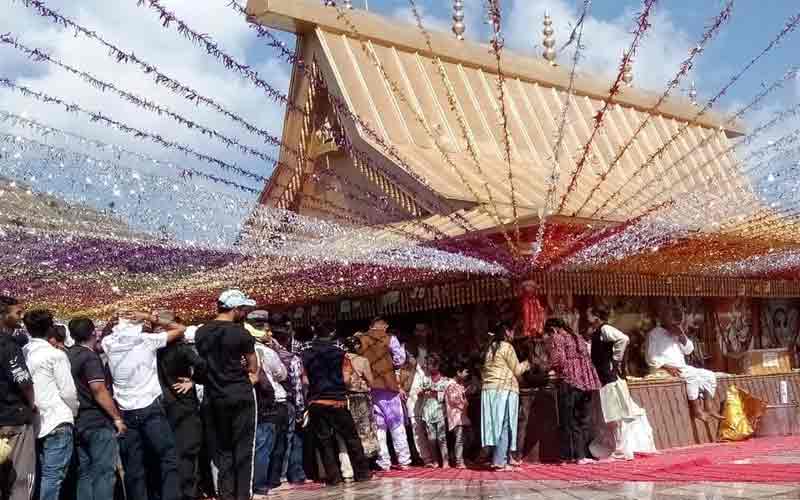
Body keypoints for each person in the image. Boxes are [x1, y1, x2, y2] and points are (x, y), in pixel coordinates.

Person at [102, 310, 183, 500]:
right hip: (150, 408)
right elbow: (180, 329)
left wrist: (113, 320)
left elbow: (107, 333)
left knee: (134, 467)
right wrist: (147, 316)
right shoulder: (146, 340)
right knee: (168, 457)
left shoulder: (108, 343)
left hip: (125, 411)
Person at [195, 290, 260, 500]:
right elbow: (253, 365)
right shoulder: (241, 333)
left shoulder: (201, 332)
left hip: (214, 396)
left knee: (222, 449)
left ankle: (226, 494)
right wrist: (251, 377)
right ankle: (243, 495)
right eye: (243, 309)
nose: (245, 313)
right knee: (243, 448)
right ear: (235, 309)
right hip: (240, 394)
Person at [302, 322, 370, 486]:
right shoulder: (341, 354)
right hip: (338, 400)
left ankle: (334, 477)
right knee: (351, 438)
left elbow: (305, 380)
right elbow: (346, 379)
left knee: (324, 440)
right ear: (332, 332)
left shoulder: (306, 355)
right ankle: (362, 473)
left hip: (317, 401)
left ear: (314, 331)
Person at [20, 310, 78, 500]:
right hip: (57, 419)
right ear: (49, 328)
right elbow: (68, 391)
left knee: (40, 476)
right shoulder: (55, 355)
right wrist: (74, 410)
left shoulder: (23, 353)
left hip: (36, 421)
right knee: (53, 477)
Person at [66, 316, 126, 500]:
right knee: (103, 474)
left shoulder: (68, 355)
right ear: (93, 333)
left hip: (78, 421)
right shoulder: (89, 357)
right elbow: (99, 389)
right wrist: (116, 418)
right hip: (96, 422)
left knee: (85, 473)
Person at [586, 307, 654, 461]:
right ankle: (615, 448)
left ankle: (620, 450)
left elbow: (623, 339)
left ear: (596, 316)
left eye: (589, 314)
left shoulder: (606, 329)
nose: (587, 317)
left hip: (609, 378)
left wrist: (616, 359)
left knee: (614, 416)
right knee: (610, 416)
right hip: (603, 378)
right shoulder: (597, 332)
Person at [155, 312, 208, 500]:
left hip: (162, 407)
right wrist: (193, 381)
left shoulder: (152, 349)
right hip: (184, 407)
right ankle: (189, 493)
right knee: (187, 453)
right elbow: (204, 366)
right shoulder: (181, 349)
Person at [646, 306, 722, 421]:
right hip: (664, 368)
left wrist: (682, 337)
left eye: (677, 324)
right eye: (673, 324)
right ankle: (696, 409)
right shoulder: (654, 334)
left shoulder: (678, 333)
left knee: (709, 375)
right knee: (692, 377)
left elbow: (689, 350)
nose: (676, 327)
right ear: (665, 320)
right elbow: (650, 357)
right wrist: (667, 367)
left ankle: (709, 406)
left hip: (682, 368)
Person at [545, 318, 600, 465]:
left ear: (553, 329)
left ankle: (566, 456)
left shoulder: (557, 337)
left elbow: (559, 360)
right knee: (582, 419)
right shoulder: (578, 336)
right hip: (586, 381)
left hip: (569, 380)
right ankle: (582, 455)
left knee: (567, 420)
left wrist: (547, 368)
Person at [358, 317, 411, 471]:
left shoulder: (362, 339)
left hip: (372, 386)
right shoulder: (390, 338)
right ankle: (404, 461)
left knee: (379, 426)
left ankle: (384, 463)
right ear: (384, 326)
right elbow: (400, 360)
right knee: (396, 424)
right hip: (389, 385)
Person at [246, 311, 290, 496]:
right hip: (272, 401)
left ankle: (259, 482)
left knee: (259, 444)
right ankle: (265, 482)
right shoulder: (266, 351)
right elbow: (282, 374)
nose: (270, 334)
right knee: (270, 445)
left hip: (252, 401)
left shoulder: (239, 351)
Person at [480, 322, 530, 471]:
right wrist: (527, 363)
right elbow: (517, 370)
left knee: (498, 423)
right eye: (513, 330)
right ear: (507, 332)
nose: (514, 334)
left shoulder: (490, 348)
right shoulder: (507, 347)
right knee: (505, 423)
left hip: (490, 389)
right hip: (504, 389)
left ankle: (506, 457)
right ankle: (500, 461)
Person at [0, 296, 36, 500]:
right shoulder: (9, 345)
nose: (21, 318)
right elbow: (24, 382)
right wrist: (32, 404)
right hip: (14, 421)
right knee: (21, 481)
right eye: (17, 313)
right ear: (3, 315)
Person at [269, 319, 306, 487]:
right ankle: (290, 475)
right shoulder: (291, 358)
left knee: (273, 441)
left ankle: (277, 476)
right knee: (290, 439)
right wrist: (300, 410)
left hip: (269, 402)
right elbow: (298, 386)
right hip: (288, 402)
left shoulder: (264, 353)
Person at [342, 336, 379, 461]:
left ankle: (352, 457)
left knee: (351, 428)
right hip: (361, 397)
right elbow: (371, 381)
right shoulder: (362, 360)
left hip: (346, 397)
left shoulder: (342, 359)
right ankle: (366, 458)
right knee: (365, 428)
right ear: (357, 346)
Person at [404, 323, 433, 466]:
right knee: (417, 427)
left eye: (424, 330)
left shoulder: (431, 349)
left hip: (430, 392)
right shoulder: (408, 349)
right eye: (418, 331)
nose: (421, 334)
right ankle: (426, 458)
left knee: (433, 425)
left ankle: (437, 456)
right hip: (414, 392)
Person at [417, 353, 451, 468]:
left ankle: (446, 461)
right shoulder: (425, 380)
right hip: (427, 413)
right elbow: (419, 393)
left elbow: (446, 397)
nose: (427, 366)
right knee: (431, 439)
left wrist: (434, 393)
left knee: (442, 438)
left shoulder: (445, 381)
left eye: (429, 364)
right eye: (426, 364)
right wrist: (422, 392)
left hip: (440, 413)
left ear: (436, 366)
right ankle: (435, 461)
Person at [444, 358, 474, 469]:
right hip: (456, 417)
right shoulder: (451, 385)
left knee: (467, 438)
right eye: (465, 372)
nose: (467, 374)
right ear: (458, 372)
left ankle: (461, 458)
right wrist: (464, 402)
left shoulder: (458, 384)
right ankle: (459, 461)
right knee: (460, 439)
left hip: (462, 417)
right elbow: (454, 400)